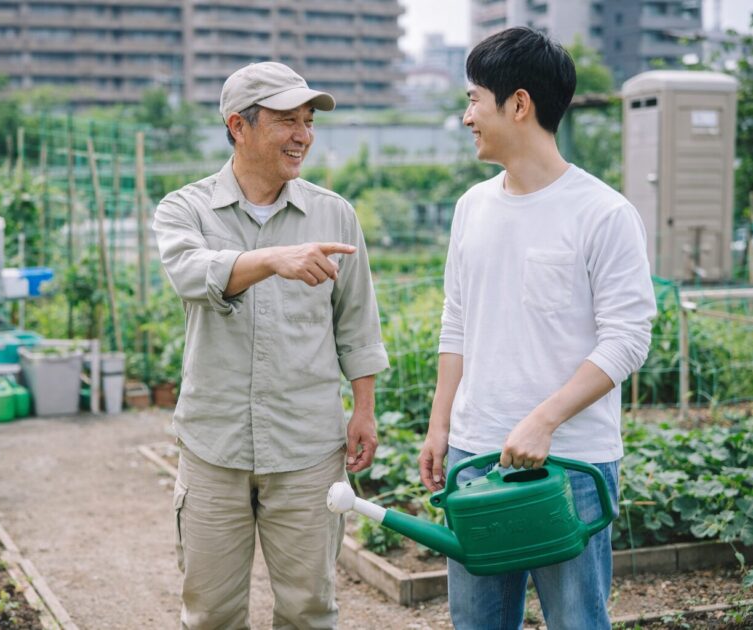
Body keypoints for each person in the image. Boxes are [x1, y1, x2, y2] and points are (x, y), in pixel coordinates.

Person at [416, 27, 656, 630]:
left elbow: (629, 337)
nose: (467, 115)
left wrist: (544, 419)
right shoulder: (472, 207)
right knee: (477, 623)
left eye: (475, 98)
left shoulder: (603, 213)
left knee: (577, 620)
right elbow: (458, 320)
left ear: (518, 104)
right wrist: (440, 424)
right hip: (476, 457)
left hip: (570, 463)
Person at [153, 61, 389, 629]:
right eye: (287, 121)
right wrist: (270, 260)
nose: (303, 135)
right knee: (210, 613)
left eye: (308, 121)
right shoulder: (184, 209)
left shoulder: (333, 213)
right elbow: (191, 273)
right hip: (214, 446)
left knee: (310, 609)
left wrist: (364, 410)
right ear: (239, 126)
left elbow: (356, 322)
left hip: (307, 446)